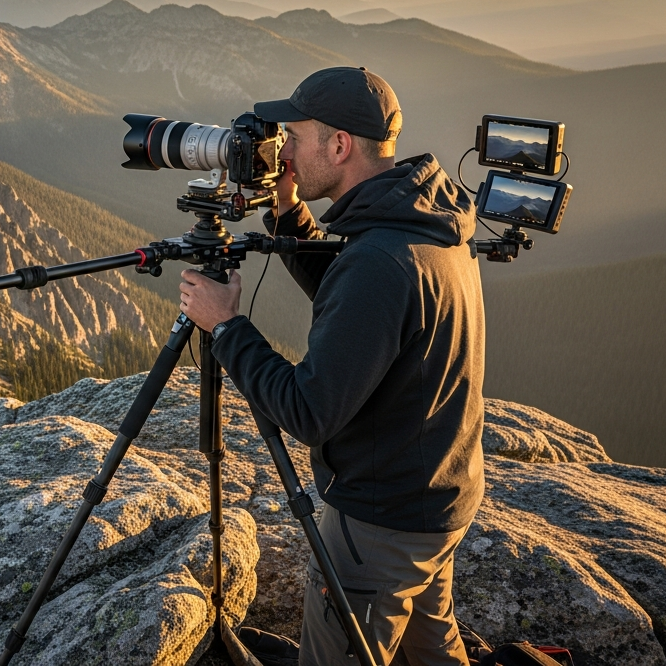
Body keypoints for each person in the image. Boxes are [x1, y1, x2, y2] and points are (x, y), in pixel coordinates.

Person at [178, 67, 484, 665]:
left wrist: (227, 327)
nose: (280, 150)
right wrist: (289, 213)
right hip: (437, 497)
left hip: (381, 524)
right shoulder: (418, 223)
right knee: (433, 652)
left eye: (294, 136)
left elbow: (309, 410)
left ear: (338, 145)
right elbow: (363, 318)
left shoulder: (379, 260)